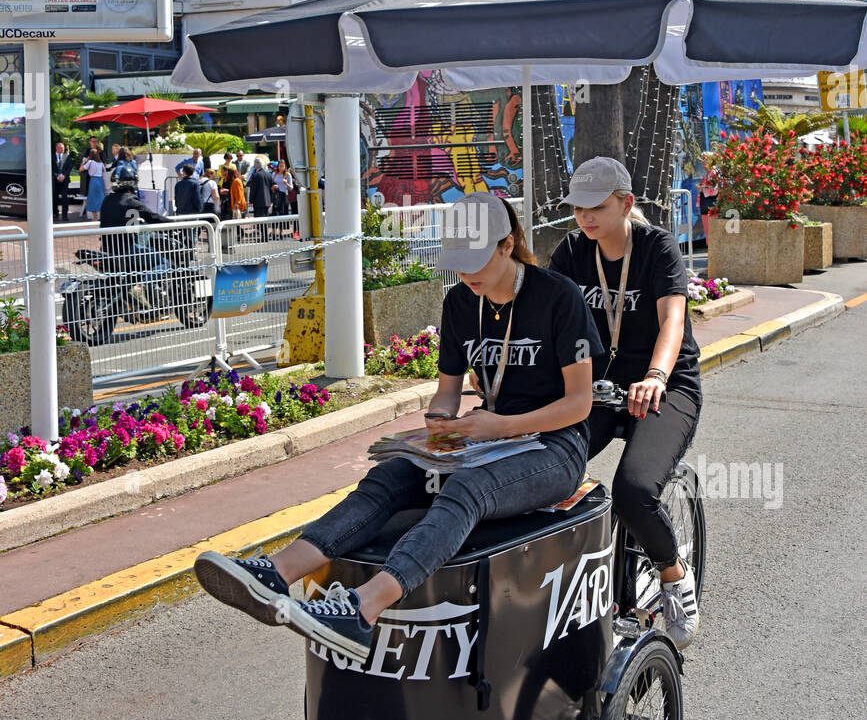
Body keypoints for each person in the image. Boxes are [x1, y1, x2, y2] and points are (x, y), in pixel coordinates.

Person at [194, 192, 603, 662]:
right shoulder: (459, 303)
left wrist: (503, 427)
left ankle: (362, 610)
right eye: (459, 262)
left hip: (553, 448)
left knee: (466, 491)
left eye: (476, 260)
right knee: (391, 476)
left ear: (507, 246)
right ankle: (275, 573)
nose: (467, 274)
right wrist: (439, 423)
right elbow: (447, 392)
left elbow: (579, 404)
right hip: (484, 438)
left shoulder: (557, 296)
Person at [548, 158, 703, 649]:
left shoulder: (657, 247)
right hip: (595, 388)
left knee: (634, 490)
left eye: (598, 207)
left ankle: (674, 574)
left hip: (664, 385)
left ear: (626, 203)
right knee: (541, 468)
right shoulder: (571, 251)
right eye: (578, 208)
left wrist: (656, 375)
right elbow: (546, 318)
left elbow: (672, 321)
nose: (586, 217)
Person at [99, 160, 175, 296]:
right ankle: (141, 288)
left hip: (106, 249)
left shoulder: (107, 200)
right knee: (164, 262)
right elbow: (152, 217)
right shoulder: (130, 200)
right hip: (126, 250)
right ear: (133, 182)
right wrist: (174, 225)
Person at [80, 147, 106, 221]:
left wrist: (84, 162)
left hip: (93, 181)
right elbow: (104, 171)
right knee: (100, 198)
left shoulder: (90, 162)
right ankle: (101, 216)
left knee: (93, 199)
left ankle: (94, 218)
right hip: (100, 181)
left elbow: (81, 169)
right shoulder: (100, 163)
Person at [52, 142, 73, 222]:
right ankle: (55, 213)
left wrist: (64, 175)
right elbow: (50, 167)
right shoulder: (52, 156)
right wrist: (57, 175)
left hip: (65, 180)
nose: (63, 149)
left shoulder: (66, 156)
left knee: (65, 198)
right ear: (56, 148)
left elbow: (69, 167)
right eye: (61, 148)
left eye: (63, 148)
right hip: (55, 180)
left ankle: (65, 215)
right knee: (54, 197)